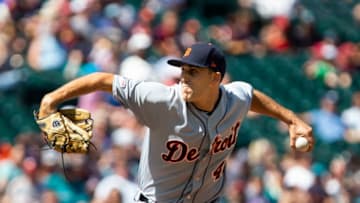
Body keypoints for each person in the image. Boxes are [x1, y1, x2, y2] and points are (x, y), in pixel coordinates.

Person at [38, 42, 314, 202]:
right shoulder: (160, 100)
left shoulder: (234, 98)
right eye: (183, 70)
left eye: (193, 72)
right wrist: (53, 98)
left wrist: (292, 120)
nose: (184, 77)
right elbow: (102, 79)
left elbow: (250, 96)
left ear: (215, 78)